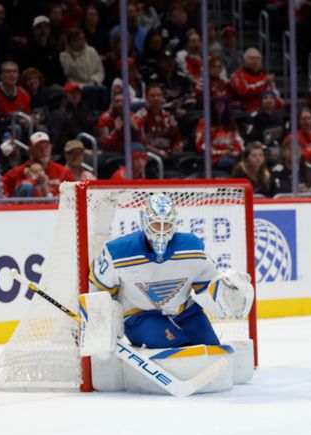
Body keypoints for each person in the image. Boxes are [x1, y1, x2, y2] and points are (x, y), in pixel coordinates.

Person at [88, 193, 253, 349]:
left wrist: (225, 294)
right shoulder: (118, 251)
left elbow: (206, 286)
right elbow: (98, 288)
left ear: (174, 222)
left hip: (185, 313)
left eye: (166, 224)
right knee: (181, 351)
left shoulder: (192, 248)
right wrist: (101, 321)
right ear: (145, 222)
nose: (161, 230)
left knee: (212, 350)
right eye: (155, 223)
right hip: (140, 317)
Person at [2, 132, 74, 197]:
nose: (44, 151)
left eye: (46, 147)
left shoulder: (63, 171)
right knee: (26, 186)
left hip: (54, 209)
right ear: (31, 150)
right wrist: (32, 180)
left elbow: (73, 196)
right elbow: (2, 187)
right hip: (28, 209)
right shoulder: (20, 171)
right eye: (39, 148)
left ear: (50, 148)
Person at [132, 84, 183, 159]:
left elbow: (177, 138)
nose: (156, 98)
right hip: (150, 154)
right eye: (152, 96)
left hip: (168, 153)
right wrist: (157, 151)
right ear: (146, 98)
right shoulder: (141, 116)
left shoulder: (168, 117)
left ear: (162, 98)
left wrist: (176, 148)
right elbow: (139, 140)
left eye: (159, 95)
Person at [195, 97, 244, 171]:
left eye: (222, 103)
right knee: (235, 164)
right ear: (213, 105)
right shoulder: (204, 122)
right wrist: (221, 152)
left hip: (231, 155)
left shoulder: (231, 122)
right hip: (214, 157)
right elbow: (201, 144)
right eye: (217, 103)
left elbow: (238, 140)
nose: (220, 105)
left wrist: (235, 151)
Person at [230, 48, 279, 113]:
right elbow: (243, 92)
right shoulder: (237, 75)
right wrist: (264, 83)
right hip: (246, 110)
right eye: (252, 58)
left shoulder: (265, 77)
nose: (255, 61)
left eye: (258, 59)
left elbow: (274, 95)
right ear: (245, 61)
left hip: (267, 110)